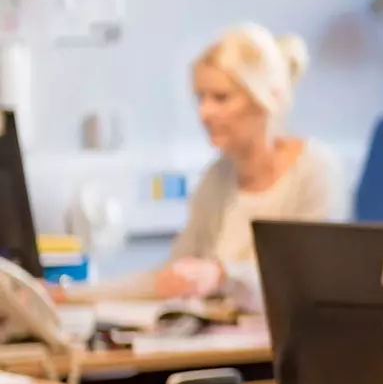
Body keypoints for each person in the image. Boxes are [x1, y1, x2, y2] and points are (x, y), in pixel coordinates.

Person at [58, 24, 341, 310]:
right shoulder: (216, 178)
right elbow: (169, 278)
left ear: (266, 99)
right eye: (200, 98)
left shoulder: (314, 170)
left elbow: (306, 281)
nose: (204, 113)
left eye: (221, 97)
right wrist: (69, 295)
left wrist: (222, 276)